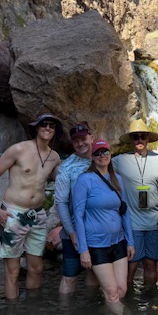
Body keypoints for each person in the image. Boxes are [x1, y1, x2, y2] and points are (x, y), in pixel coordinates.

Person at [0, 113, 62, 299]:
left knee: (36, 268)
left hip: (38, 215)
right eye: (44, 124)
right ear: (36, 127)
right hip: (13, 214)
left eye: (52, 125)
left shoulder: (55, 157)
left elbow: (63, 183)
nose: (47, 128)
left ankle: (31, 313)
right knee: (12, 271)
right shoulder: (18, 149)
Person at [72, 139, 135, 311]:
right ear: (92, 157)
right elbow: (78, 215)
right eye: (98, 153)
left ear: (110, 154)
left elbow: (125, 211)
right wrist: (83, 250)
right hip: (97, 244)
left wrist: (130, 241)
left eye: (105, 151)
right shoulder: (85, 180)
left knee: (121, 290)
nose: (102, 156)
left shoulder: (118, 180)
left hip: (118, 242)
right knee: (113, 293)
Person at [112, 119, 158, 285]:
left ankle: (151, 301)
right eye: (136, 137)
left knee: (151, 265)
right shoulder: (119, 161)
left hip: (154, 223)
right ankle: (127, 304)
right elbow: (100, 172)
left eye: (143, 136)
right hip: (132, 223)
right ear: (131, 140)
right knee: (131, 265)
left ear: (148, 138)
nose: (140, 140)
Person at [54, 121, 98, 294]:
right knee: (69, 276)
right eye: (76, 141)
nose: (80, 143)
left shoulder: (103, 159)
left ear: (91, 137)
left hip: (98, 229)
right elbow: (61, 203)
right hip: (74, 230)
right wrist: (72, 233)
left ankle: (90, 312)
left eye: (83, 138)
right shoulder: (66, 167)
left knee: (95, 272)